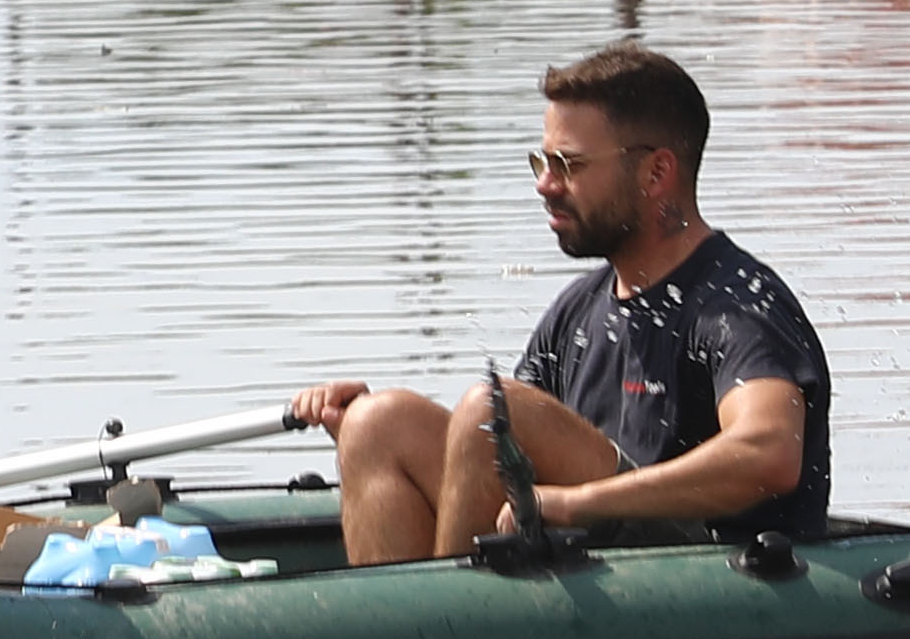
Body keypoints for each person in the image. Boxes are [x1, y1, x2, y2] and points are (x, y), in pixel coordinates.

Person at [283, 42, 827, 565]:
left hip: (709, 574)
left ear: (656, 173)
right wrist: (362, 439)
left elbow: (769, 454)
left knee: (495, 410)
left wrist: (578, 502)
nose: (545, 184)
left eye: (568, 165)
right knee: (381, 423)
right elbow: (492, 458)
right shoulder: (580, 309)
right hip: (603, 552)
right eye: (541, 162)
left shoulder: (737, 305)